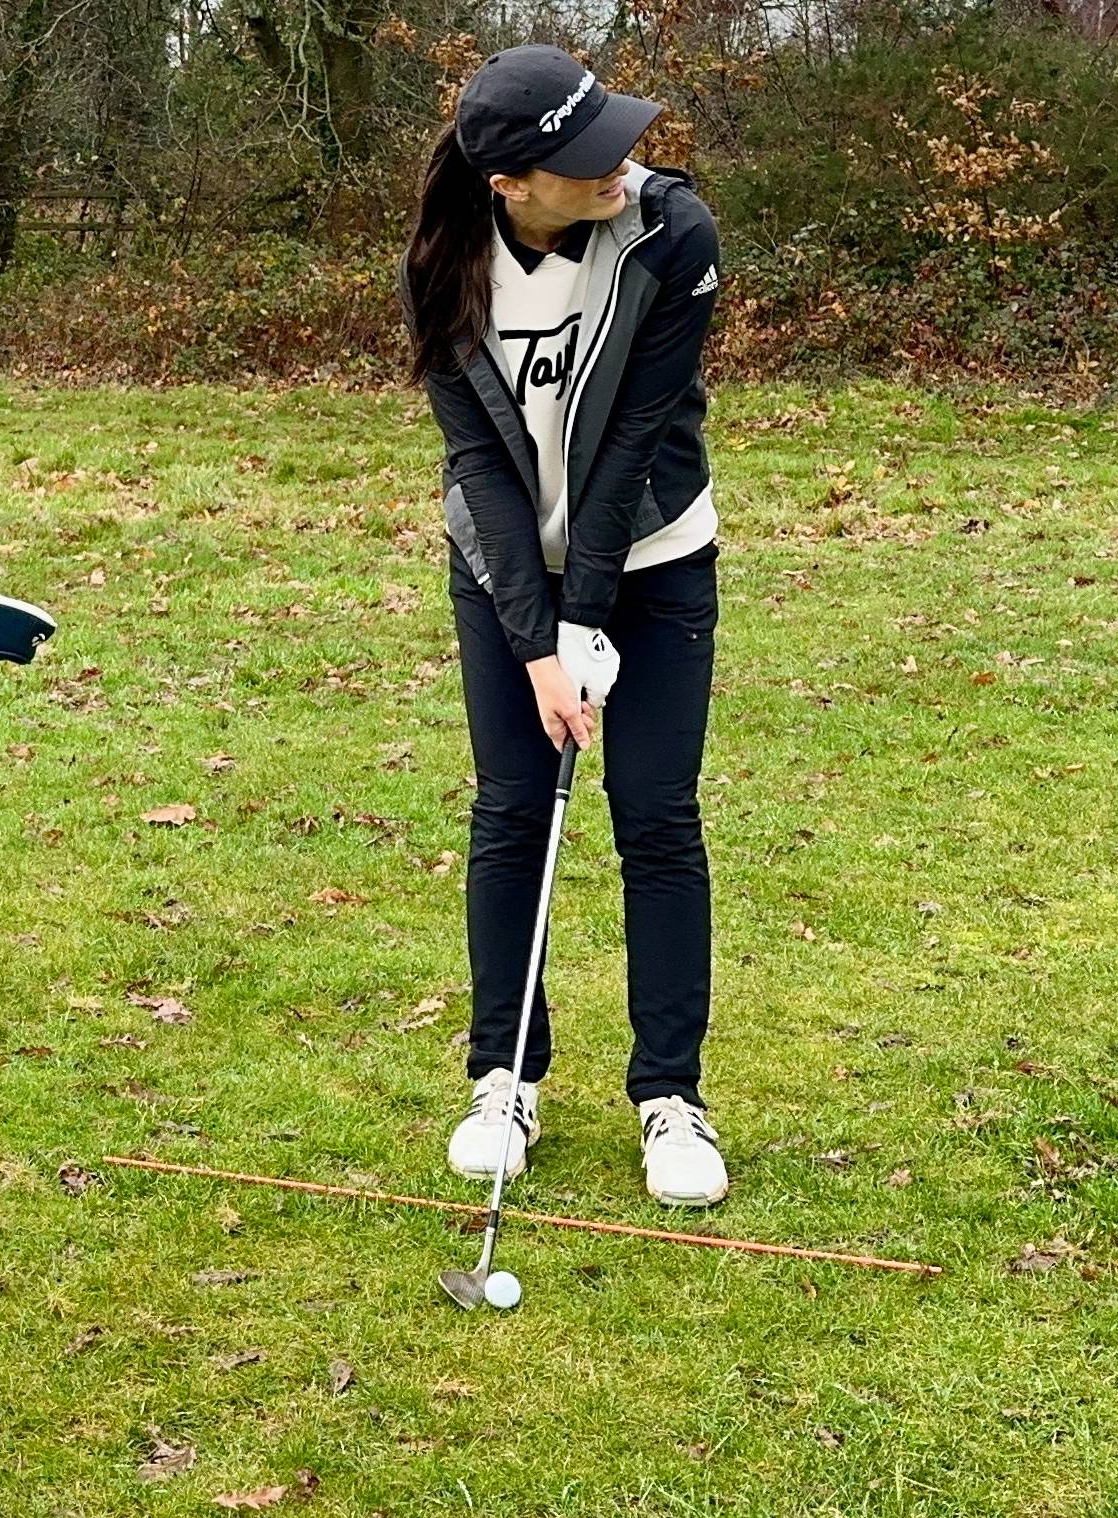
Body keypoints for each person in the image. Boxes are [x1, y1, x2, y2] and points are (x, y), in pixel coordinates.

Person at [399, 45, 728, 1206]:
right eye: (585, 158)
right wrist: (538, 639)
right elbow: (480, 467)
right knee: (512, 811)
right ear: (508, 183)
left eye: (616, 140)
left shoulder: (670, 236)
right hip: (502, 569)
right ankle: (503, 1078)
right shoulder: (442, 268)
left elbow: (632, 440)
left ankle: (669, 1096)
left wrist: (586, 615)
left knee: (654, 815)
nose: (617, 166)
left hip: (654, 559)